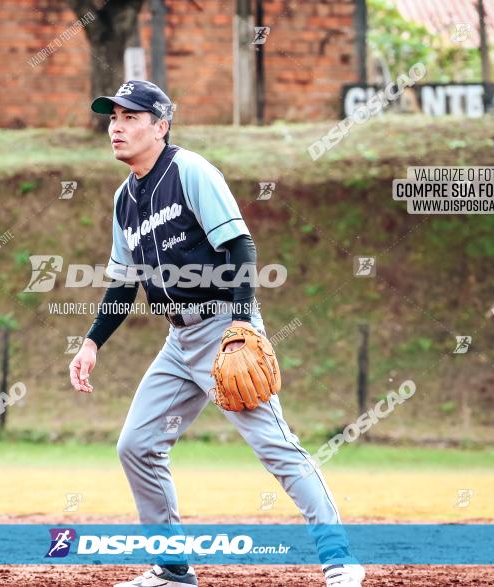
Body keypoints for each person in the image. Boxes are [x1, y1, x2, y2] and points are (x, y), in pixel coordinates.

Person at [68, 80, 364, 587]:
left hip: (224, 329)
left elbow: (241, 250)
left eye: (131, 117)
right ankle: (172, 568)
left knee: (276, 446)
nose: (117, 126)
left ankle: (340, 560)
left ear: (161, 126)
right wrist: (92, 342)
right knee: (137, 445)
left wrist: (243, 325)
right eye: (113, 117)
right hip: (178, 342)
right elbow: (122, 283)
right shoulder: (124, 200)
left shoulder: (191, 172)